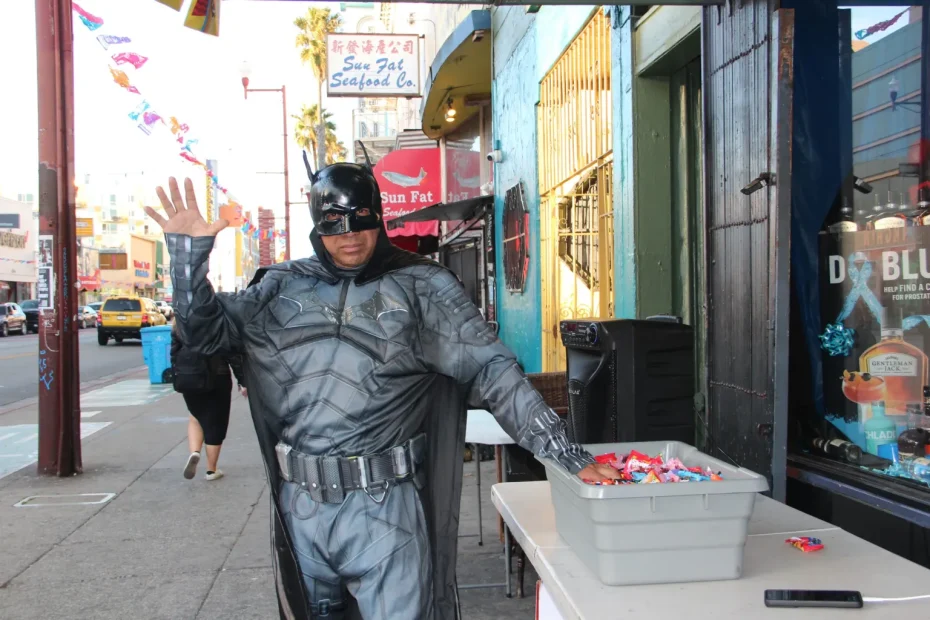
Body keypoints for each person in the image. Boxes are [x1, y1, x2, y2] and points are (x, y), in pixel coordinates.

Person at [146, 148, 619, 620]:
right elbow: (204, 332)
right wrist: (188, 261)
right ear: (316, 222)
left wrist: (564, 454)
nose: (350, 236)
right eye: (335, 222)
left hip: (384, 507)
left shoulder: (422, 287)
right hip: (302, 506)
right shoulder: (279, 288)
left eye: (362, 219)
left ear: (381, 215)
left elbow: (493, 370)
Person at [170, 321, 245, 481]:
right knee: (216, 423)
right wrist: (242, 379)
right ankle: (211, 470)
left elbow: (174, 352)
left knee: (196, 416)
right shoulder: (216, 320)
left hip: (189, 375)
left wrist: (177, 375)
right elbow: (231, 353)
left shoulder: (179, 321)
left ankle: (195, 452)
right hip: (218, 375)